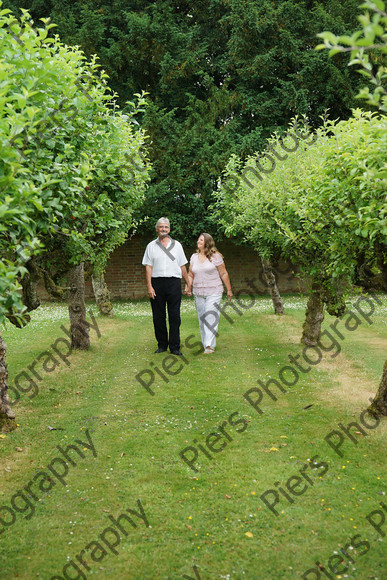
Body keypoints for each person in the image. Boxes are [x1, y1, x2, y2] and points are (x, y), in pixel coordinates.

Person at [142, 217, 190, 355]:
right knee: (158, 316)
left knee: (175, 316)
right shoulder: (151, 246)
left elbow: (182, 265)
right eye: (161, 227)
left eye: (166, 227)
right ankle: (162, 345)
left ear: (169, 229)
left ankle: (174, 347)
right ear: (157, 229)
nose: (164, 229)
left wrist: (188, 283)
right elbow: (148, 267)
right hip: (157, 283)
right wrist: (149, 286)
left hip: (174, 282)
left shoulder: (177, 245)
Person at [185, 233, 233, 354]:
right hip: (198, 292)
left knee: (210, 316)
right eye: (198, 240)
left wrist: (229, 290)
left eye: (201, 240)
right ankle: (206, 343)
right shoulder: (194, 257)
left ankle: (209, 346)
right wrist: (188, 286)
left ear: (207, 242)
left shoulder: (216, 256)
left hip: (214, 291)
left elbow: (224, 273)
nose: (198, 241)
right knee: (202, 318)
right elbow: (190, 274)